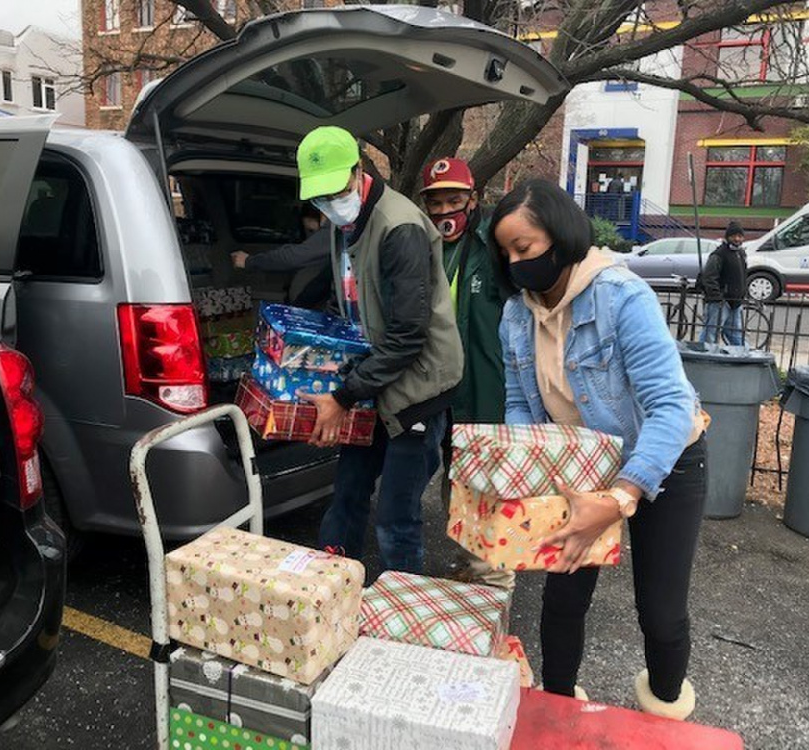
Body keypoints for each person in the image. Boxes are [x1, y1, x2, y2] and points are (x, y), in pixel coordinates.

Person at [492, 179, 708, 720]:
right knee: (562, 597)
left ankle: (663, 709)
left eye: (525, 248)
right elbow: (520, 401)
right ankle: (559, 710)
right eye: (506, 252)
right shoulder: (516, 315)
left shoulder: (621, 296)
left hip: (663, 460)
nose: (516, 262)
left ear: (561, 237)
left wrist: (621, 497)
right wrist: (529, 463)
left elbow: (669, 407)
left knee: (660, 611)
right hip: (578, 466)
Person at [296, 126, 464, 575]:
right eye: (318, 198)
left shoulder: (399, 226)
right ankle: (328, 596)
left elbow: (408, 334)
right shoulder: (345, 224)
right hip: (372, 377)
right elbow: (353, 299)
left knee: (396, 517)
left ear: (359, 170)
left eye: (334, 191)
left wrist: (342, 397)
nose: (328, 204)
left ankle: (402, 624)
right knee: (347, 496)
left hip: (414, 390)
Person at [419, 157, 512, 589]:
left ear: (473, 200)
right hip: (445, 389)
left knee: (487, 480)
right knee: (455, 476)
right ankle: (470, 560)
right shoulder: (428, 246)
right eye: (435, 203)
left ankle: (493, 574)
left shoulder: (491, 247)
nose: (443, 212)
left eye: (453, 200)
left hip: (484, 387)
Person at [700, 221, 748, 346]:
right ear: (728, 237)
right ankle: (704, 357)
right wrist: (717, 297)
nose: (737, 239)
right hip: (721, 301)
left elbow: (742, 275)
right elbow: (709, 277)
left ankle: (743, 356)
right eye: (734, 236)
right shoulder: (719, 255)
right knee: (710, 333)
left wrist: (743, 294)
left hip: (735, 301)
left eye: (740, 236)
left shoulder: (741, 254)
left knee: (735, 333)